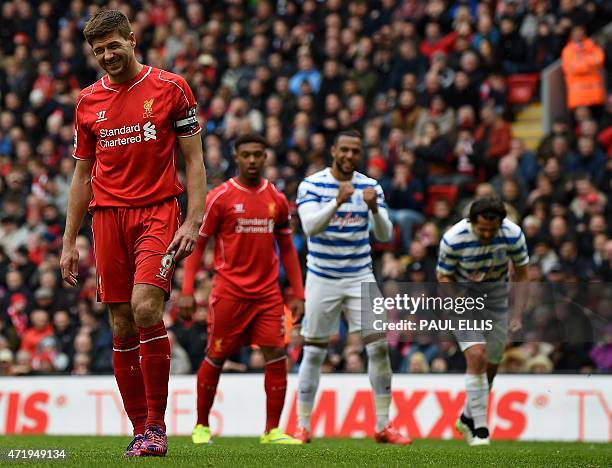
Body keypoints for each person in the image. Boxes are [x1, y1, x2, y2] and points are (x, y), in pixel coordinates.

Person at [59, 10, 206, 458]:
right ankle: (141, 429)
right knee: (120, 320)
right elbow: (82, 176)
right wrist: (68, 241)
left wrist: (193, 219)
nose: (107, 55)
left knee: (146, 307)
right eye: (98, 50)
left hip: (157, 212)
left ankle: (158, 427)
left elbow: (194, 160)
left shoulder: (172, 87)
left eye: (113, 45)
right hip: (107, 219)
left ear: (132, 39)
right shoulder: (87, 102)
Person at [180, 133, 305, 445]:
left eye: (258, 155)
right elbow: (197, 246)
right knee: (216, 354)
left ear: (266, 158)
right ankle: (201, 425)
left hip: (268, 295)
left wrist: (299, 294)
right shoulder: (219, 197)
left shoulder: (276, 199)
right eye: (246, 154)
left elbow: (287, 249)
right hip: (229, 293)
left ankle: (272, 431)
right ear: (236, 157)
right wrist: (186, 289)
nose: (252, 160)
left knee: (277, 354)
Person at [294, 130, 411, 445]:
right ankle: (302, 426)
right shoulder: (312, 185)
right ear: (333, 150)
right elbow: (309, 227)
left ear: (359, 154)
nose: (348, 155)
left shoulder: (371, 186)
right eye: (343, 149)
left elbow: (385, 235)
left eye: (354, 151)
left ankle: (383, 425)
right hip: (321, 276)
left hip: (360, 275)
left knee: (379, 348)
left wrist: (373, 209)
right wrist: (337, 202)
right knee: (315, 351)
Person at [436, 197, 529, 446]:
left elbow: (522, 273)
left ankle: (467, 417)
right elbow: (443, 276)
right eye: (482, 229)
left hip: (496, 300)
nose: (487, 233)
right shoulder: (453, 238)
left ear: (501, 223)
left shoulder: (513, 235)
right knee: (476, 355)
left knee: (491, 366)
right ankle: (480, 431)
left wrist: (518, 314)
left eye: (492, 229)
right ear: (471, 222)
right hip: (462, 298)